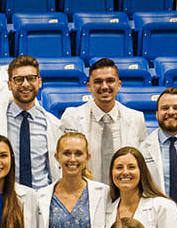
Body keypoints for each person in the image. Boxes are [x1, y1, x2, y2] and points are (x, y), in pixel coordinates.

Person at [0, 55, 62, 190]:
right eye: (19, 79)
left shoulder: (53, 124)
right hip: (5, 195)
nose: (26, 84)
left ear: (39, 82)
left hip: (41, 196)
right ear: (9, 85)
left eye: (31, 78)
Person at [60, 59, 148, 188]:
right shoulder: (72, 117)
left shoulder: (136, 118)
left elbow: (141, 164)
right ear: (89, 86)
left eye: (110, 81)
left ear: (119, 85)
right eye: (98, 82)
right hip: (84, 193)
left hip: (124, 193)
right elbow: (63, 161)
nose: (105, 86)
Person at [35, 131, 110, 228]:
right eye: (67, 153)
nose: (72, 159)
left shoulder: (103, 194)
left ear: (87, 157)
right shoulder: (41, 197)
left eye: (78, 153)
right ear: (57, 157)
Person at [102, 146, 177, 228]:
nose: (125, 172)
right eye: (119, 167)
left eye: (131, 167)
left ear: (141, 171)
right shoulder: (107, 210)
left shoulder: (163, 207)